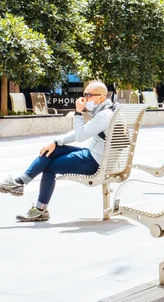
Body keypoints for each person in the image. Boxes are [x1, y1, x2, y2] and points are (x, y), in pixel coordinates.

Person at [0, 81, 115, 222]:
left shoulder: (104, 115)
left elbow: (80, 136)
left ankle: (38, 207)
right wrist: (55, 142)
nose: (84, 98)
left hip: (94, 162)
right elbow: (81, 132)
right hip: (97, 157)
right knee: (52, 150)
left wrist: (78, 112)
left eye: (88, 95)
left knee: (49, 167)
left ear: (101, 98)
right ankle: (20, 183)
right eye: (84, 94)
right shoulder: (108, 111)